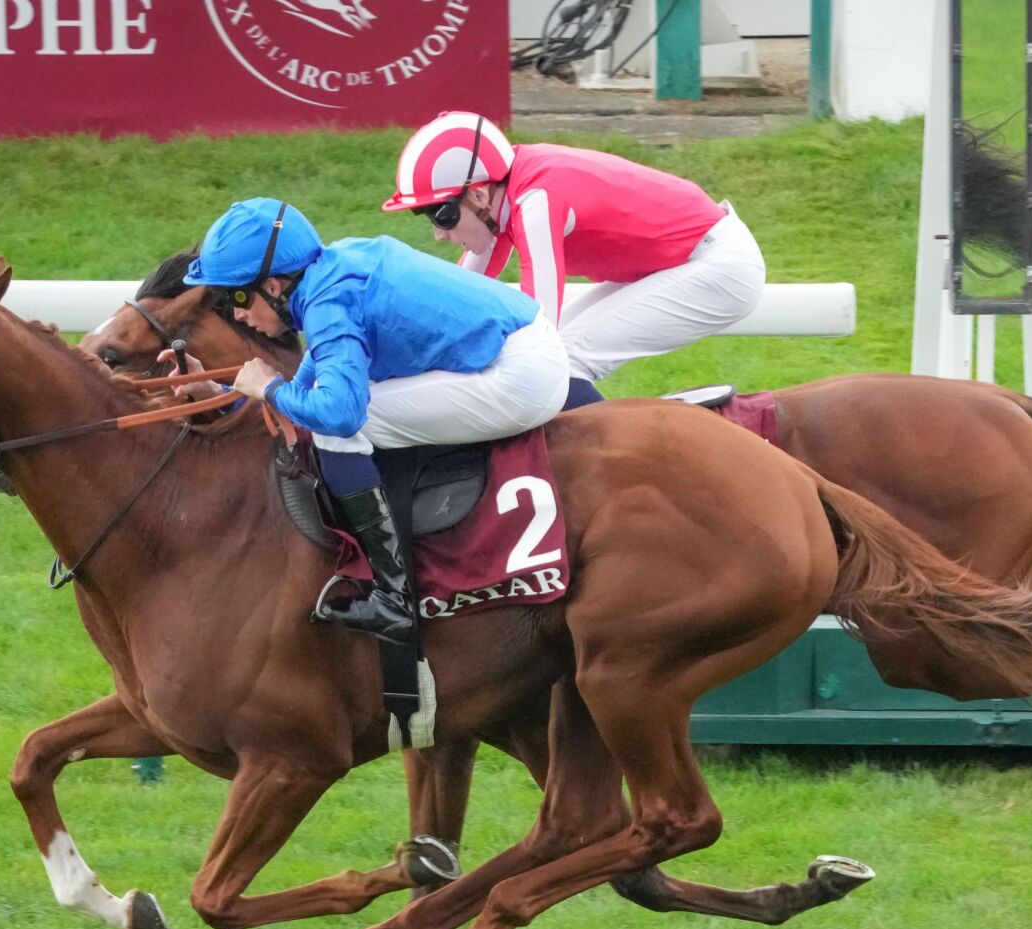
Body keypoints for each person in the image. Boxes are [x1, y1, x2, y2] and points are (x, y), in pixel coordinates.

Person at [178, 197, 569, 644]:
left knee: (342, 431)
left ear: (273, 284)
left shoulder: (327, 302)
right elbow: (312, 383)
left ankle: (394, 598)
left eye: (237, 297)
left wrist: (268, 388)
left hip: (520, 377)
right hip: (526, 346)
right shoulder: (333, 267)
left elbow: (339, 415)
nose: (238, 315)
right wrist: (227, 396)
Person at [383, 112, 767, 410]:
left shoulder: (536, 200)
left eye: (442, 215)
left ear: (479, 195)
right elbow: (455, 300)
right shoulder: (505, 193)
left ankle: (624, 463)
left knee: (559, 361)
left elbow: (539, 326)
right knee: (545, 356)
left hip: (719, 266)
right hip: (688, 258)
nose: (438, 233)